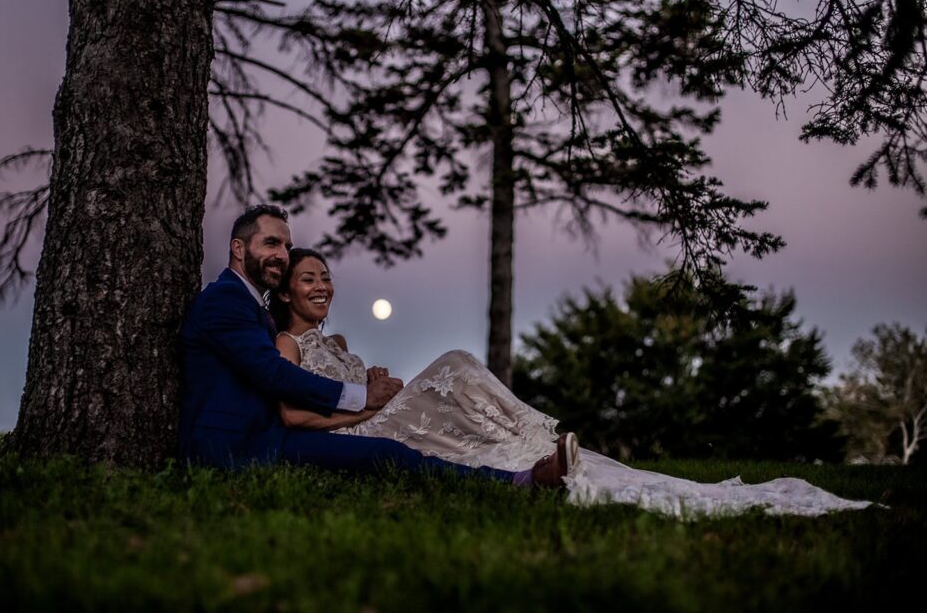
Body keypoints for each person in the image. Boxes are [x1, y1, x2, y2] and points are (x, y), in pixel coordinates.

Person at [269, 247, 878, 518]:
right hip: (363, 432)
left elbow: (359, 383)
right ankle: (530, 447)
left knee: (456, 373)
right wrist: (369, 407)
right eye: (308, 279)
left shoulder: (339, 343)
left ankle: (532, 445)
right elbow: (295, 417)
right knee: (455, 361)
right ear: (286, 291)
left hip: (382, 411)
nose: (322, 286)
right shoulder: (286, 345)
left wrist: (376, 381)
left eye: (326, 277)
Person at [177, 204, 577, 489]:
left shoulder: (251, 305)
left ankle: (527, 462)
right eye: (270, 243)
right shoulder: (224, 300)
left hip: (270, 436)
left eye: (285, 245)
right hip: (235, 447)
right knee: (390, 454)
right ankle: (521, 482)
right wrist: (361, 397)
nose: (280, 255)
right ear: (238, 248)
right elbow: (274, 373)